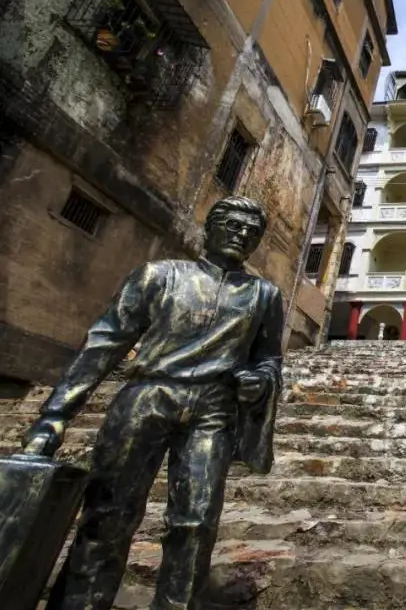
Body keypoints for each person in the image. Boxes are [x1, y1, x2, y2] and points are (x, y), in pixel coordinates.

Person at [24, 195, 285, 610]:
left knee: (197, 521)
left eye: (251, 232)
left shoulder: (264, 295)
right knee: (109, 512)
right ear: (210, 228)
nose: (242, 235)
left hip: (213, 407)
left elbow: (269, 358)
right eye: (233, 225)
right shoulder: (159, 276)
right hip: (147, 396)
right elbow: (105, 342)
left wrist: (260, 379)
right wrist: (54, 416)